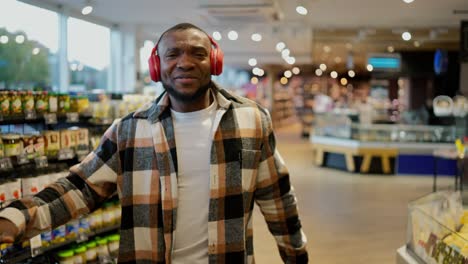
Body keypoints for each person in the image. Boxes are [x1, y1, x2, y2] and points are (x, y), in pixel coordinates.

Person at [0, 23, 308, 263]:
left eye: (198, 54)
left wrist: (296, 255)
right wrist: (17, 217)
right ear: (156, 66)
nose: (185, 63)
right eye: (173, 54)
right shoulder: (130, 130)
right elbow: (79, 188)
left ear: (214, 62)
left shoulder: (251, 120)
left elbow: (277, 196)